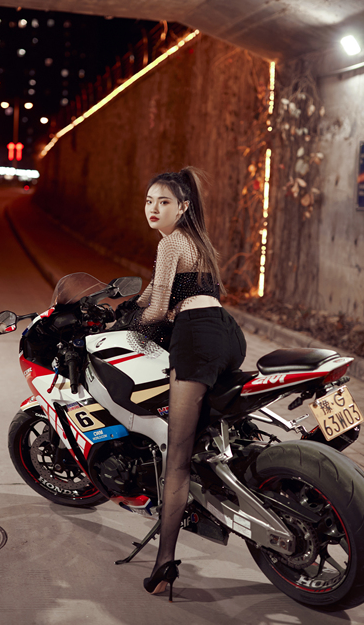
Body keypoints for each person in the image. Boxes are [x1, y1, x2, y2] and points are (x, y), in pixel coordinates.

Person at [125, 167, 247, 600]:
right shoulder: (197, 242)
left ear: (182, 207)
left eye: (164, 202)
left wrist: (128, 326)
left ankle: (164, 563)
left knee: (176, 459)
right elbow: (157, 291)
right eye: (149, 201)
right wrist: (125, 304)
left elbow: (158, 310)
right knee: (200, 431)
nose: (153, 209)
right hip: (227, 335)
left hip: (196, 339)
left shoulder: (171, 243)